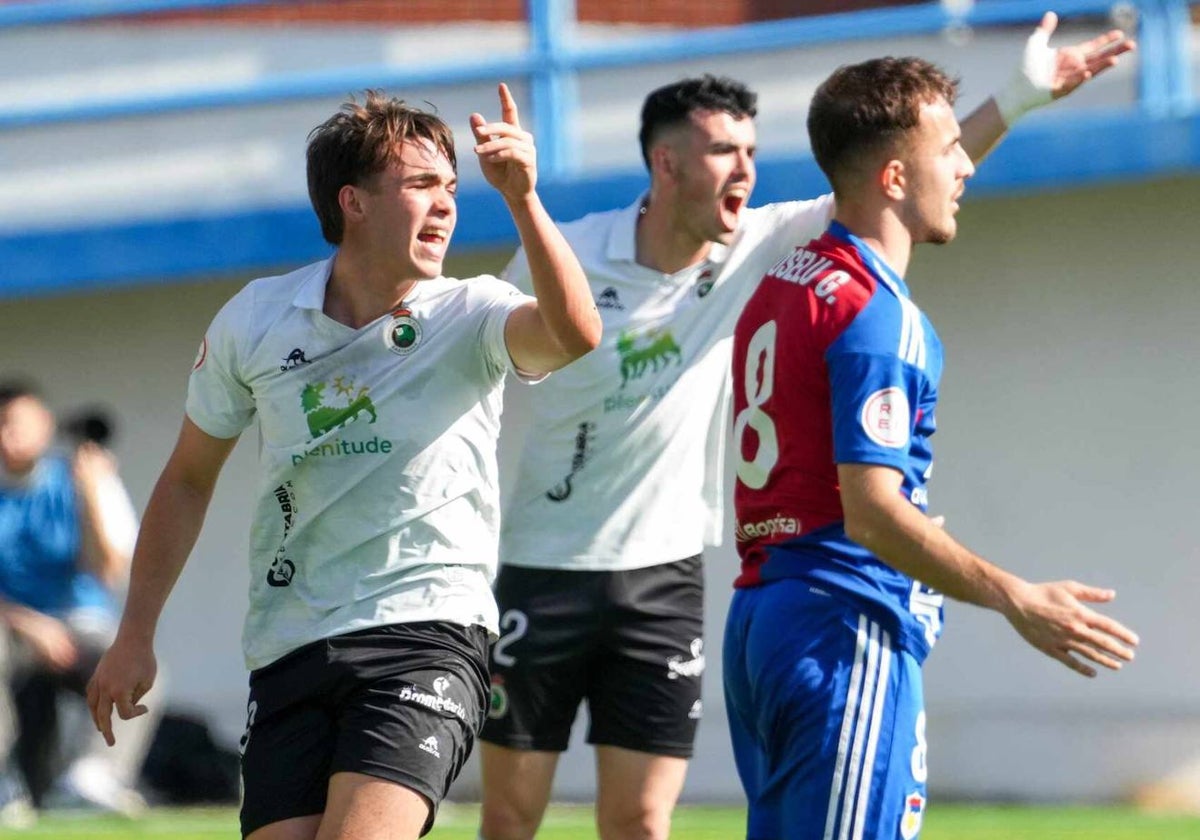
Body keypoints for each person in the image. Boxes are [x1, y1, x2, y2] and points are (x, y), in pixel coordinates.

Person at [477, 12, 1134, 840]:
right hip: (576, 567)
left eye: (753, 151)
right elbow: (898, 180)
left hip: (686, 580)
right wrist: (1013, 598)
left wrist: (1020, 95)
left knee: (643, 824)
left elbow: (899, 174)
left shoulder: (771, 257)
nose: (745, 169)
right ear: (665, 162)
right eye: (724, 151)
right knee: (507, 816)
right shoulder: (573, 254)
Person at [85, 83, 602, 840]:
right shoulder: (257, 319)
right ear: (352, 202)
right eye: (422, 184)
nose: (447, 204)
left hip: (427, 634)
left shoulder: (473, 311)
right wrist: (135, 633)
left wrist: (524, 200)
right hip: (289, 644)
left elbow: (576, 334)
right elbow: (187, 480)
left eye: (452, 187)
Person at [723, 54, 1141, 840]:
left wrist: (1016, 97)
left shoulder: (787, 281)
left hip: (765, 619)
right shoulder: (880, 315)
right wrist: (1017, 597)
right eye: (948, 151)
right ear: (890, 178)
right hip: (841, 630)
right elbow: (873, 516)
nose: (963, 167)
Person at [0, 382, 152, 824]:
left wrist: (91, 492)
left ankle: (93, 776)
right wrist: (31, 624)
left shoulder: (85, 479)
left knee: (132, 659)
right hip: (14, 631)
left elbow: (108, 569)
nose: (7, 437)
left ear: (45, 426)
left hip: (81, 626)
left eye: (15, 424)